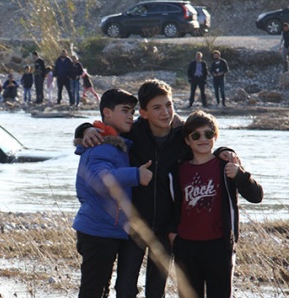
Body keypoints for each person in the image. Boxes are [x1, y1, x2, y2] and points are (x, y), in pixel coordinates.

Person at [75, 79, 237, 298]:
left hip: (166, 227)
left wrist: (224, 151)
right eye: (157, 108)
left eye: (169, 105)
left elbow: (204, 144)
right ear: (143, 112)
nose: (165, 112)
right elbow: (106, 132)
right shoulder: (132, 134)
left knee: (155, 291)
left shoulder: (182, 137)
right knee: (124, 288)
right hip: (134, 226)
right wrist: (85, 129)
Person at [165, 110, 263, 298]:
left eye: (208, 134)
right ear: (187, 140)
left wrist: (240, 175)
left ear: (215, 136)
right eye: (196, 135)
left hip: (218, 246)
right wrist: (172, 234)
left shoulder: (225, 166)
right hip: (186, 246)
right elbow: (172, 206)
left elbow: (256, 196)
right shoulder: (177, 171)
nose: (203, 139)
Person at [73, 88, 153, 298]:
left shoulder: (116, 143)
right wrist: (136, 175)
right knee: (93, 290)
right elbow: (100, 180)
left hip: (108, 228)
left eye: (133, 112)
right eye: (125, 110)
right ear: (107, 113)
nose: (130, 116)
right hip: (98, 230)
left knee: (100, 289)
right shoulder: (101, 145)